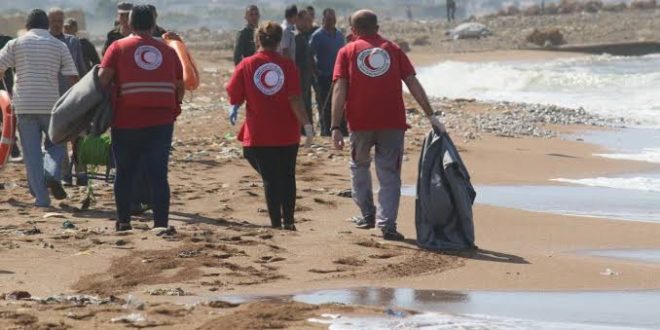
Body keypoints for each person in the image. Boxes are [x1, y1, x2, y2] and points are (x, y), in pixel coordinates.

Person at [330, 9, 445, 241]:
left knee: (359, 166)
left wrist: (334, 126)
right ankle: (387, 224)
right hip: (391, 122)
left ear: (353, 30)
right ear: (377, 27)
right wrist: (431, 115)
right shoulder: (392, 49)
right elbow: (412, 82)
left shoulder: (347, 51)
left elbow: (340, 89)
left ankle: (367, 213)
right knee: (390, 175)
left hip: (360, 123)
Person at [98, 5, 184, 232]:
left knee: (125, 172)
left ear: (130, 24)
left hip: (126, 121)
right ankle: (161, 224)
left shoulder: (117, 47)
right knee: (158, 174)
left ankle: (124, 221)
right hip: (161, 122)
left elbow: (103, 79)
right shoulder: (168, 51)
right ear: (154, 24)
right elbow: (180, 85)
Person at [226, 21, 313, 231]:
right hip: (287, 132)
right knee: (287, 176)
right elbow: (295, 99)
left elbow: (234, 93)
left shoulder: (246, 64)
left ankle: (276, 223)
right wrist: (307, 125)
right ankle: (289, 221)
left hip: (260, 132)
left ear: (257, 40)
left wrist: (235, 105)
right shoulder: (288, 65)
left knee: (271, 179)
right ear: (279, 41)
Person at [0, 9, 79, 207]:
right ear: (46, 25)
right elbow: (73, 77)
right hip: (51, 105)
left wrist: (5, 91)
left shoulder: (15, 43)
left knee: (32, 153)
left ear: (27, 26)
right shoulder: (59, 45)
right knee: (57, 143)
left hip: (24, 105)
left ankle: (42, 200)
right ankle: (52, 173)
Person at [310, 8, 346, 137]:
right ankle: (326, 132)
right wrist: (316, 72)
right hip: (324, 76)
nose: (331, 21)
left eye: (333, 18)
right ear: (323, 19)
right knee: (325, 104)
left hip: (339, 76)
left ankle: (342, 129)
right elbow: (310, 55)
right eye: (328, 19)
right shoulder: (317, 35)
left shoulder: (340, 34)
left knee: (340, 103)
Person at [0, 33, 20, 159]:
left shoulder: (7, 41)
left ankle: (14, 149)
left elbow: (17, 64)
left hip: (5, 89)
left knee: (7, 119)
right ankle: (13, 149)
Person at [295, 10, 314, 130]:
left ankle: (307, 130)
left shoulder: (307, 35)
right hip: (297, 77)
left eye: (310, 20)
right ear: (298, 20)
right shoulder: (295, 37)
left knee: (307, 103)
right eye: (306, 20)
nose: (309, 23)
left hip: (306, 77)